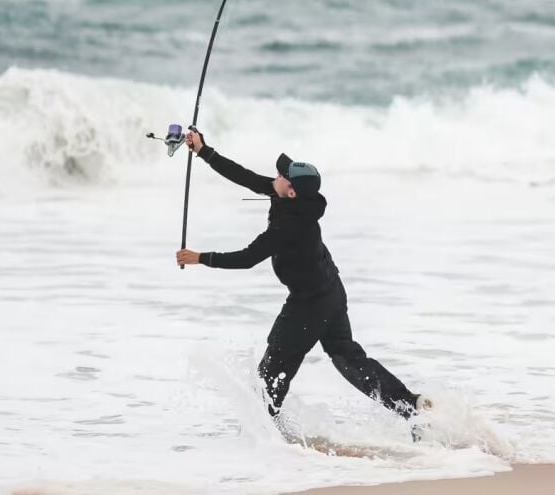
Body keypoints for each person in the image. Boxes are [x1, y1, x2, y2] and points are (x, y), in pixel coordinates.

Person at [176, 130, 431, 425]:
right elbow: (245, 177)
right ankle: (412, 407)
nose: (276, 176)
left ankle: (266, 436)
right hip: (331, 291)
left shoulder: (289, 225)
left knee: (271, 372)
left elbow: (247, 258)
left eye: (281, 175)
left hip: (310, 303)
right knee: (347, 359)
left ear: (292, 191)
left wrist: (200, 258)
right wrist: (203, 151)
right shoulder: (293, 197)